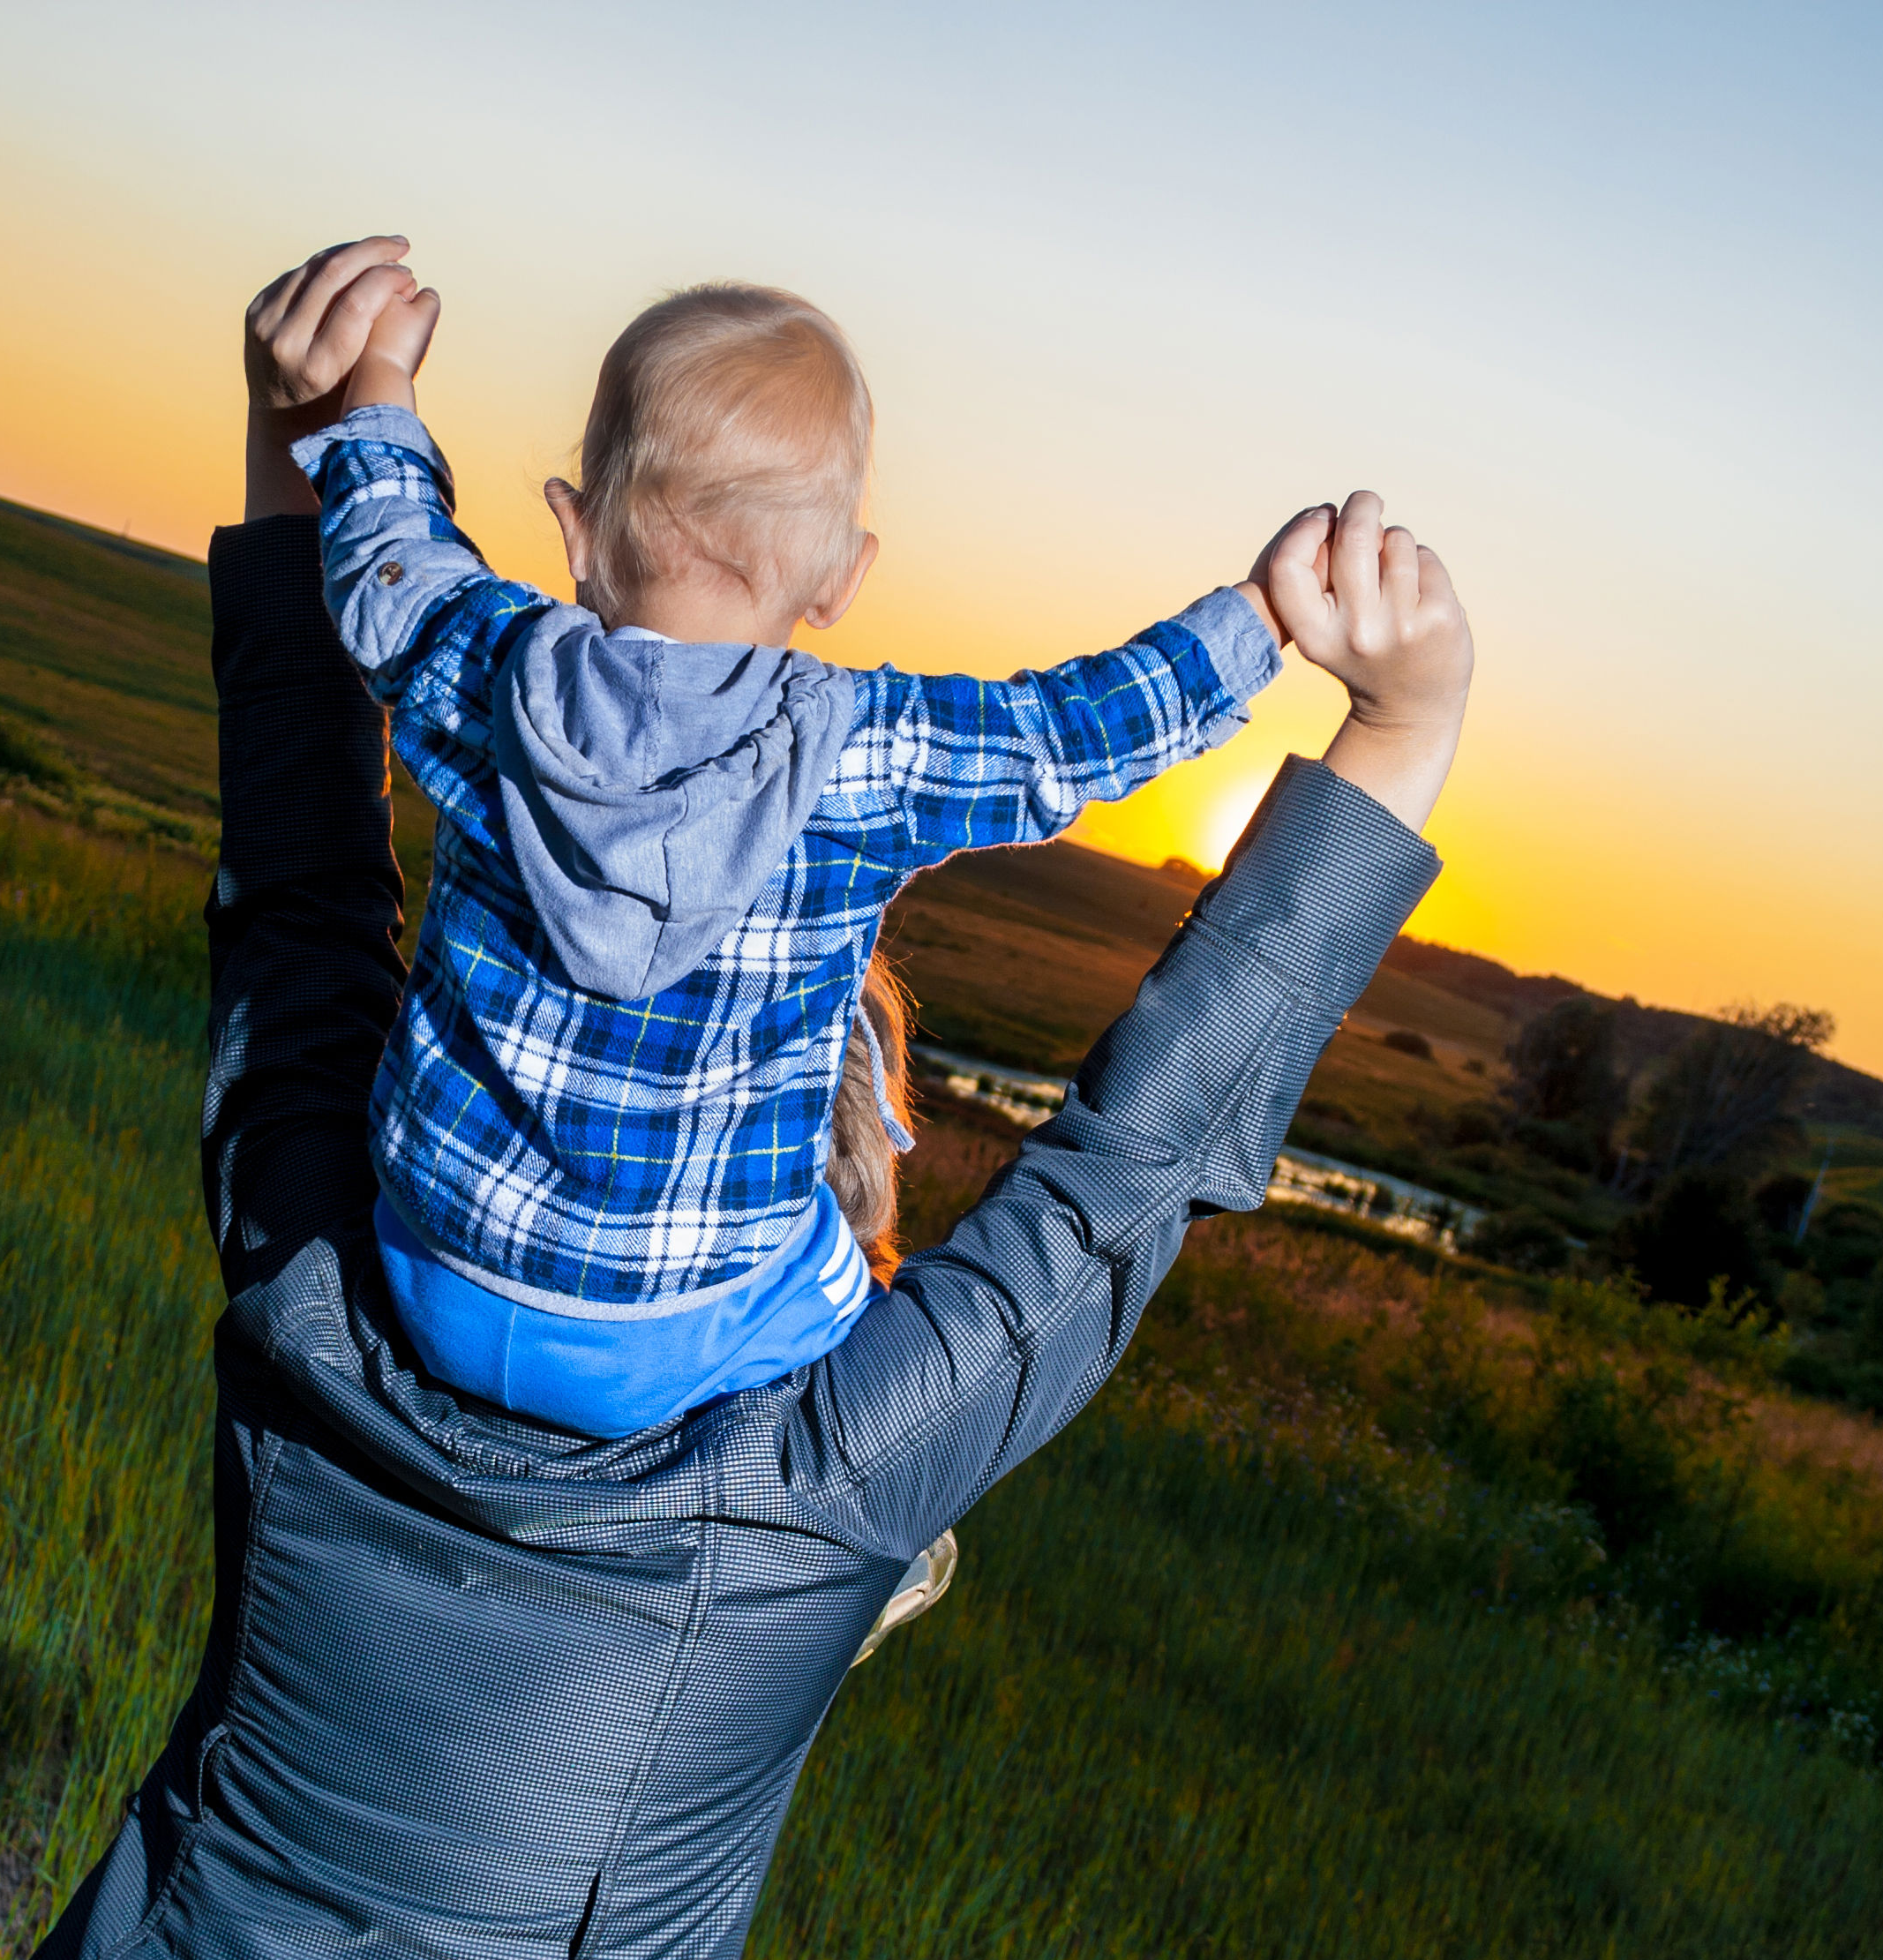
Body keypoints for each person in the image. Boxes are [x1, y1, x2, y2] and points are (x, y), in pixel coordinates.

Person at [0, 238, 1471, 1960]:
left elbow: (299, 880)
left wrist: (323, 427)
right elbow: (1128, 1170)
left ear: (581, 524)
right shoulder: (810, 1475)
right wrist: (1393, 716)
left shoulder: (312, 1278)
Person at [274, 242, 1327, 1438]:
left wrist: (381, 389)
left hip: (432, 1265)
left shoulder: (490, 666)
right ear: (842, 580)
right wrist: (1262, 616)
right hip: (674, 1336)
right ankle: (870, 1543)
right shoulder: (860, 754)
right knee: (865, 1305)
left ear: (575, 528)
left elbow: (388, 559)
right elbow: (1067, 735)